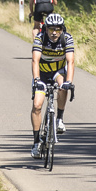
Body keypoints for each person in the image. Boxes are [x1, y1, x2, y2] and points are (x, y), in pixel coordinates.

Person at [30, 12, 75, 157]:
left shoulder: (66, 38)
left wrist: (69, 82)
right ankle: (36, 143)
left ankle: (59, 119)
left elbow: (70, 62)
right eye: (51, 29)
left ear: (62, 29)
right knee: (37, 105)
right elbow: (35, 60)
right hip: (42, 74)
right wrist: (37, 80)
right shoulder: (40, 38)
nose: (54, 33)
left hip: (58, 72)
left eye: (58, 29)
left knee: (63, 86)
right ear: (46, 29)